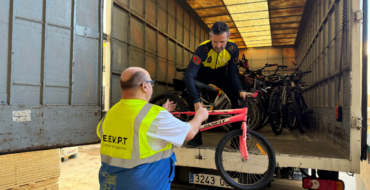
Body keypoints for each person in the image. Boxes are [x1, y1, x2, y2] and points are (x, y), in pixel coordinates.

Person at [96, 67, 209, 190]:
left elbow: (133, 129)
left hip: (111, 184)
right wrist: (200, 116)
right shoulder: (155, 115)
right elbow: (190, 133)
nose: (152, 87)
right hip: (145, 184)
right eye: (151, 83)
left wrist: (163, 112)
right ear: (144, 86)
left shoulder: (110, 114)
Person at [184, 21, 253, 147]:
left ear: (228, 36)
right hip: (202, 74)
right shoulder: (202, 49)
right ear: (210, 36)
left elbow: (233, 73)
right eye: (215, 42)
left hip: (221, 74)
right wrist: (196, 102)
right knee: (192, 98)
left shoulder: (233, 49)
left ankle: (236, 141)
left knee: (238, 99)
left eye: (222, 42)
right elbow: (189, 75)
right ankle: (195, 137)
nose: (218, 46)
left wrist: (239, 89)